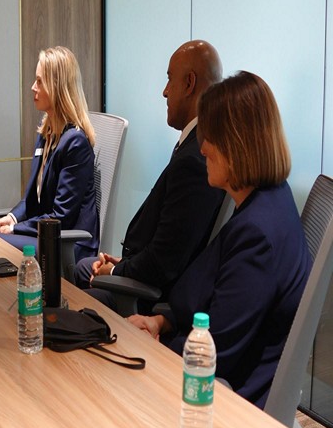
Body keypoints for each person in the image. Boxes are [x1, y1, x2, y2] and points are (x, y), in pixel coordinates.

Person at [129, 71, 312, 408]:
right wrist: (159, 321)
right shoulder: (266, 200)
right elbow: (213, 304)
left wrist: (150, 348)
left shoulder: (257, 233)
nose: (202, 148)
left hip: (228, 400)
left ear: (236, 145)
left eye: (210, 136)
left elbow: (217, 352)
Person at [74, 40, 225, 312]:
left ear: (189, 84)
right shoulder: (195, 145)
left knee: (73, 302)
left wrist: (118, 271)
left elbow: (165, 263)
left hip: (151, 297)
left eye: (170, 80)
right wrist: (121, 264)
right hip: (145, 271)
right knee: (84, 266)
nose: (165, 92)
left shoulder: (196, 158)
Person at [0, 46, 98, 261]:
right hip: (46, 234)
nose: (33, 87)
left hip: (69, 244)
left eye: (40, 81)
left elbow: (61, 217)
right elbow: (32, 199)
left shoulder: (75, 143)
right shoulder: (46, 134)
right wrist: (12, 217)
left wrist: (17, 229)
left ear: (57, 87)